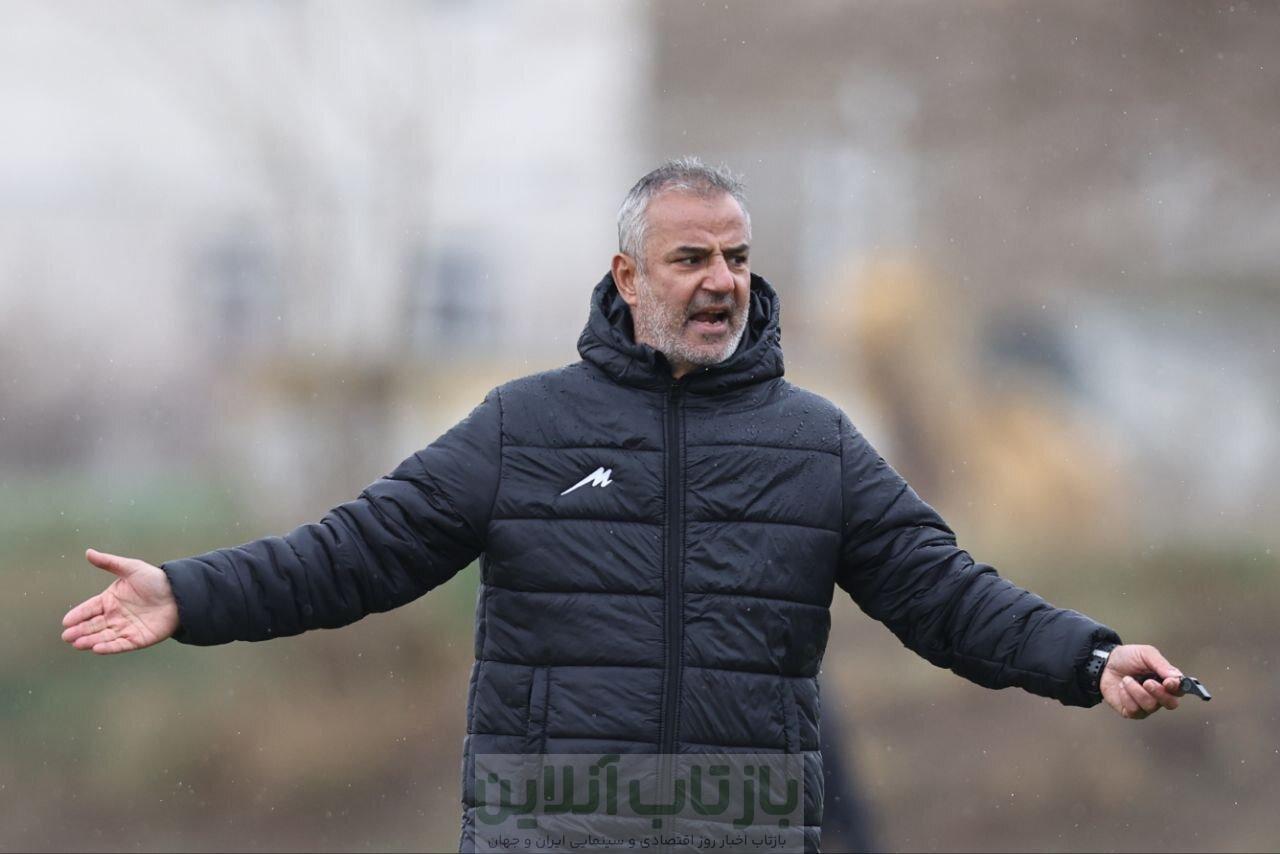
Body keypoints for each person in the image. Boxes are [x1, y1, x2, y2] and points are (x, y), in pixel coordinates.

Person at [61, 158, 1190, 853]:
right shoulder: (522, 427)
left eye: (736, 257)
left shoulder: (818, 444)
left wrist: (1086, 658)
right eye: (690, 256)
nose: (720, 280)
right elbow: (352, 553)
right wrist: (189, 593)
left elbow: (948, 596)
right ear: (627, 276)